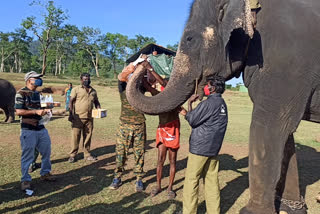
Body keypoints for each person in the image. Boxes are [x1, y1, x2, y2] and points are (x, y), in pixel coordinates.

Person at [181, 76, 228, 214]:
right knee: (211, 181)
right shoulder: (222, 103)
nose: (204, 88)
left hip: (199, 149)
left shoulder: (208, 103)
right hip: (213, 149)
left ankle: (189, 212)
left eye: (207, 85)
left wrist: (189, 103)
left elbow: (192, 120)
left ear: (212, 88)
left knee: (191, 181)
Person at [109, 56, 148, 192]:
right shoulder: (123, 88)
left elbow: (152, 79)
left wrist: (145, 66)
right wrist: (135, 63)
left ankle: (138, 179)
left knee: (139, 153)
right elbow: (121, 76)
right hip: (124, 125)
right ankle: (117, 177)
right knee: (121, 153)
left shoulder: (141, 89)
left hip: (139, 125)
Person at [15, 71, 56, 191]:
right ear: (29, 80)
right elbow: (19, 112)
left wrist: (47, 109)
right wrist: (35, 112)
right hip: (28, 129)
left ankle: (45, 173)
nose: (39, 80)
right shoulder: (21, 93)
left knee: (46, 152)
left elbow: (42, 108)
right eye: (36, 78)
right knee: (27, 155)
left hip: (41, 127)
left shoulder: (38, 94)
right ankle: (25, 180)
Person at [68, 73, 101, 163]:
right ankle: (73, 155)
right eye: (85, 79)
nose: (87, 80)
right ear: (81, 80)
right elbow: (71, 101)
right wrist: (70, 114)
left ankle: (87, 154)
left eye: (88, 79)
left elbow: (96, 101)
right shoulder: (76, 89)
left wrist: (99, 109)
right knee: (75, 137)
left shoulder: (93, 91)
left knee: (87, 137)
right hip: (78, 117)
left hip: (89, 118)